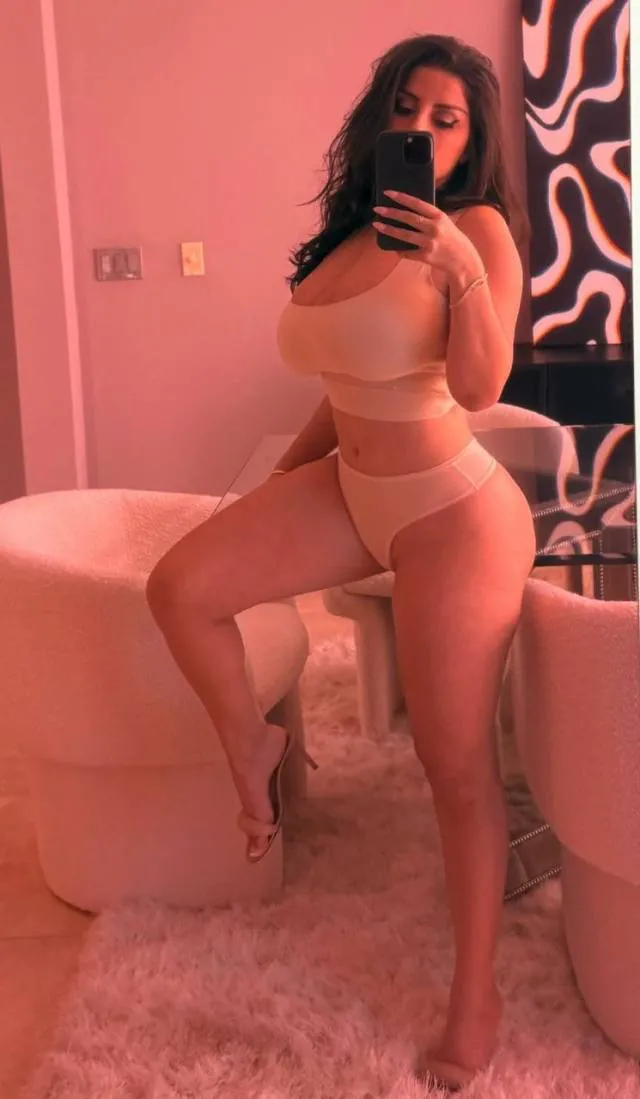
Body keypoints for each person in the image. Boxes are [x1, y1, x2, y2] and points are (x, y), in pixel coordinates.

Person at [146, 33, 536, 1093]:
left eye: (445, 119)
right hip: (354, 487)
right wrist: (281, 484)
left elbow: (480, 387)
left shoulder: (478, 230)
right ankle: (253, 748)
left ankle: (476, 994)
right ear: (379, 119)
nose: (420, 129)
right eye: (406, 108)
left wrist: (458, 268)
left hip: (453, 511)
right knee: (181, 587)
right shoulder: (354, 231)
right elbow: (342, 385)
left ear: (469, 142)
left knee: (453, 765)